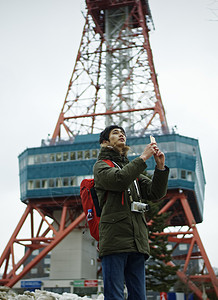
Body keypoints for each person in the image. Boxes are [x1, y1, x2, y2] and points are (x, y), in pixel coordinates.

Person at [93, 125, 169, 300]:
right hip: (114, 240)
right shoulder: (101, 166)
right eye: (115, 133)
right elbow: (118, 180)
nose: (121, 135)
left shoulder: (131, 170)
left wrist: (160, 168)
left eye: (123, 133)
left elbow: (154, 193)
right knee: (115, 296)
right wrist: (143, 158)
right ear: (105, 142)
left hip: (137, 241)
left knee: (138, 296)